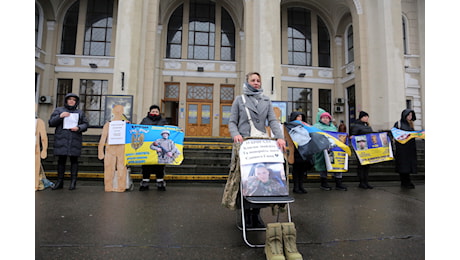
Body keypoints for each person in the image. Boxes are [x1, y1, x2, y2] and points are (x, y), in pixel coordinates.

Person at [222, 72, 286, 228]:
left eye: (258, 80)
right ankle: (245, 213)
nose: (256, 83)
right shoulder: (240, 99)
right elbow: (232, 122)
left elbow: (272, 120)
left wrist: (279, 137)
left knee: (260, 178)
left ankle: (256, 214)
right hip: (245, 145)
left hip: (261, 144)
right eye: (253, 80)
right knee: (246, 178)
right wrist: (236, 134)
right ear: (247, 82)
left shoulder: (266, 100)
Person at [48, 93, 89, 190]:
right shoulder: (59, 110)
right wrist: (60, 116)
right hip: (61, 139)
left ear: (76, 102)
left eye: (74, 100)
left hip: (75, 139)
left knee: (74, 161)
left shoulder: (80, 112)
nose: (71, 101)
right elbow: (51, 123)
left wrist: (78, 128)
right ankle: (59, 182)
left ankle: (73, 182)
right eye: (69, 99)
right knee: (61, 161)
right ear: (66, 100)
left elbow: (86, 124)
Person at [313, 109, 347, 191]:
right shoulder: (316, 127)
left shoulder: (333, 127)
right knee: (323, 166)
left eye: (327, 118)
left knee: (337, 165)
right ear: (320, 119)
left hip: (333, 150)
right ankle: (324, 183)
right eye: (323, 117)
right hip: (322, 150)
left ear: (329, 119)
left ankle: (338, 183)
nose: (325, 119)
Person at [98, 105, 128, 192]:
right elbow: (103, 137)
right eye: (117, 110)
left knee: (121, 168)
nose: (118, 112)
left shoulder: (125, 124)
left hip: (122, 149)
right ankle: (108, 186)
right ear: (113, 112)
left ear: (122, 112)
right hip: (110, 149)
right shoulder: (108, 124)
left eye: (120, 110)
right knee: (108, 167)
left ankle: (121, 186)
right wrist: (100, 151)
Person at [139, 105, 169, 191]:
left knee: (159, 165)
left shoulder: (163, 121)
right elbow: (139, 130)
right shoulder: (145, 121)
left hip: (160, 147)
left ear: (159, 113)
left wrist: (178, 131)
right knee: (146, 165)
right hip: (147, 147)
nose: (154, 113)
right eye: (153, 111)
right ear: (150, 112)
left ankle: (160, 182)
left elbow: (168, 131)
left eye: (156, 111)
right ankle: (145, 182)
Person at [285, 111, 312, 194]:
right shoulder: (289, 127)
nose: (300, 118)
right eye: (298, 117)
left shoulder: (304, 127)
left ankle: (301, 186)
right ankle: (296, 187)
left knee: (302, 170)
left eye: (301, 117)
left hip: (303, 150)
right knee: (296, 170)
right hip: (295, 151)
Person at [393, 109, 417, 189]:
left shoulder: (411, 124)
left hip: (410, 149)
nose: (410, 117)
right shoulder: (399, 124)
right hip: (402, 148)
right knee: (403, 166)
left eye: (411, 115)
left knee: (408, 166)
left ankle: (407, 181)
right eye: (408, 115)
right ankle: (404, 181)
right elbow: (395, 134)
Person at [350, 111, 374, 189]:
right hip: (360, 148)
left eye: (367, 117)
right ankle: (362, 182)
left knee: (367, 166)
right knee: (361, 166)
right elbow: (352, 137)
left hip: (368, 148)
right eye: (365, 117)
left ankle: (366, 182)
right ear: (362, 117)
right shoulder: (356, 126)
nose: (367, 118)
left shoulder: (367, 126)